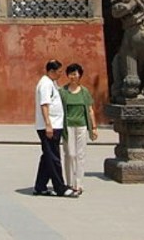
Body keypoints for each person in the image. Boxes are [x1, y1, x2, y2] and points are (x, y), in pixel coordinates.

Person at [34, 59, 77, 197]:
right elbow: (44, 105)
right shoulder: (45, 84)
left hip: (55, 125)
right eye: (58, 72)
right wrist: (48, 125)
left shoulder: (52, 83)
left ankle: (40, 187)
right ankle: (60, 187)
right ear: (51, 71)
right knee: (54, 158)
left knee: (48, 156)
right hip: (49, 126)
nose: (60, 74)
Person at [60, 63, 97, 195]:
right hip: (68, 126)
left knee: (80, 155)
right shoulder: (62, 91)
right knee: (70, 154)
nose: (73, 76)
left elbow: (90, 110)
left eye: (75, 74)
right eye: (70, 74)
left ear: (79, 75)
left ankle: (78, 183)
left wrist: (94, 127)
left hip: (81, 126)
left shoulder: (84, 91)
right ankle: (69, 183)